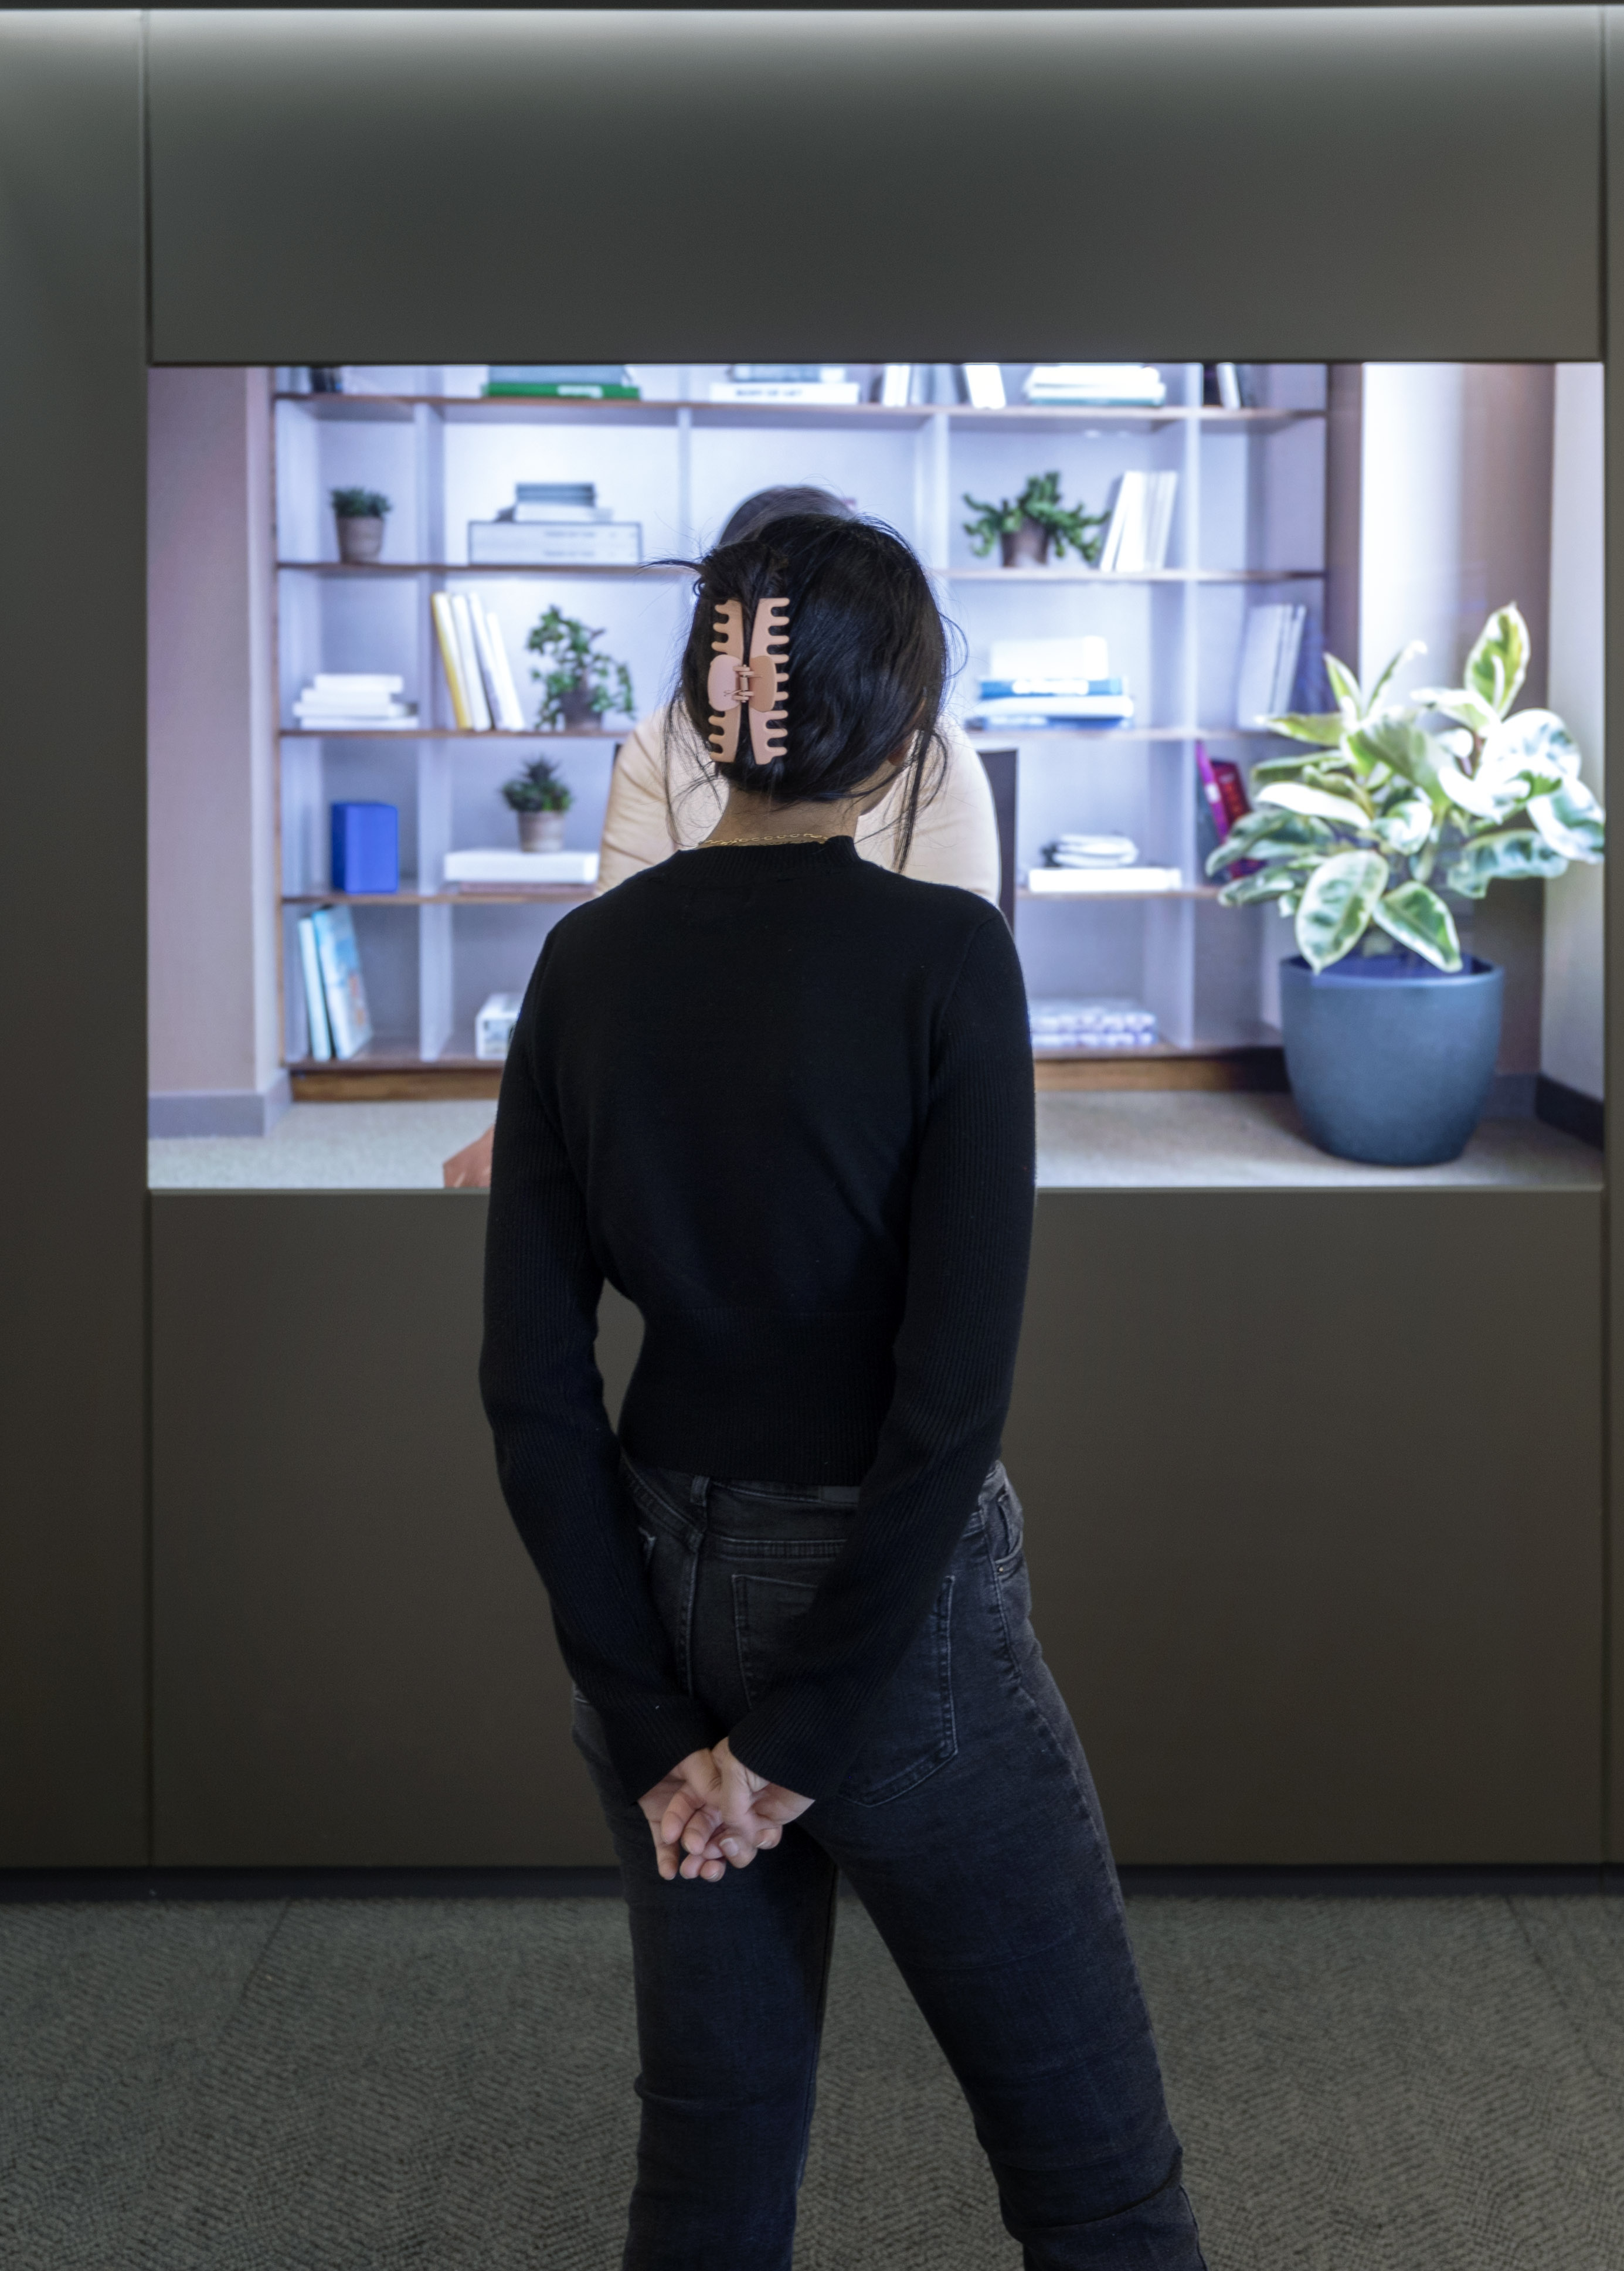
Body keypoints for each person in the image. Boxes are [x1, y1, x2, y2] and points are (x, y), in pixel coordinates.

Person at [478, 508, 1203, 2269]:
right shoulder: (948, 961)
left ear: (699, 705)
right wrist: (791, 1747)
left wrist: (663, 1729)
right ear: (903, 733)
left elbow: (530, 1383)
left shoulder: (584, 968)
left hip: (657, 1595)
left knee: (709, 2176)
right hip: (894, 1632)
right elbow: (944, 1406)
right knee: (1091, 2167)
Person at [440, 485, 995, 1189]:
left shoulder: (930, 758)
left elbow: (955, 1010)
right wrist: (528, 1120)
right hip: (692, 1057)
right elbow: (617, 973)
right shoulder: (659, 752)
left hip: (867, 1076)